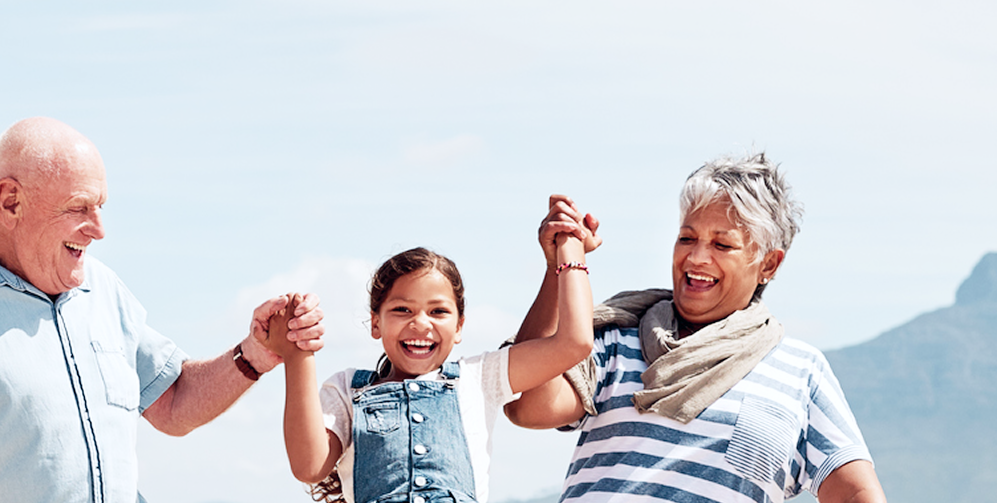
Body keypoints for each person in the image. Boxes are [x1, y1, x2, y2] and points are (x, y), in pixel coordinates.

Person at [0, 117, 330, 503]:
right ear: (10, 202)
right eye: (79, 208)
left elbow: (173, 404)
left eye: (101, 207)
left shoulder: (105, 291)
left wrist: (257, 353)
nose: (99, 229)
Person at [502, 153, 888, 503]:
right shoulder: (617, 338)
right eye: (687, 237)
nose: (697, 257)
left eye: (723, 245)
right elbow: (529, 407)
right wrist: (563, 261)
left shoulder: (802, 372)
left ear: (769, 264)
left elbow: (855, 492)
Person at [267, 211, 595, 503]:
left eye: (438, 311)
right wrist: (299, 353)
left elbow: (574, 342)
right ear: (375, 323)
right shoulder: (347, 390)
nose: (420, 323)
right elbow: (310, 466)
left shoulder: (480, 377)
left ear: (459, 327)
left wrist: (567, 253)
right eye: (402, 310)